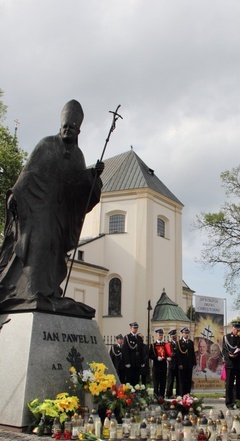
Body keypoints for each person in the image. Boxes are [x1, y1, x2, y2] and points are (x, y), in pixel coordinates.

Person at [0, 100, 104, 317]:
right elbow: (28, 173)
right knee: (39, 244)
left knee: (55, 251)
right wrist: (15, 195)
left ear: (78, 131)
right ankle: (33, 291)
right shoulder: (46, 144)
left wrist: (93, 176)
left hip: (61, 213)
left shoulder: (78, 155)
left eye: (71, 128)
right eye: (65, 127)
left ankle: (49, 292)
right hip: (38, 208)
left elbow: (78, 186)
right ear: (61, 127)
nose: (67, 130)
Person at [222, 321, 240, 408]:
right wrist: (229, 355)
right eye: (236, 329)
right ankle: (229, 402)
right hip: (230, 364)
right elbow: (224, 350)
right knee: (229, 383)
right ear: (233, 329)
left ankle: (239, 402)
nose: (237, 331)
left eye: (239, 329)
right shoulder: (226, 337)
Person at [149, 329, 170, 398]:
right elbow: (150, 355)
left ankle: (162, 395)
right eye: (159, 335)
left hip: (163, 365)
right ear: (156, 335)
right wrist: (156, 358)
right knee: (156, 381)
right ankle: (155, 396)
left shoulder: (165, 344)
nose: (161, 337)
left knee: (163, 381)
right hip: (156, 365)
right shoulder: (153, 345)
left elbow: (167, 353)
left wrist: (168, 357)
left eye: (162, 335)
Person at [122, 322, 144, 386]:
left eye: (136, 328)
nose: (136, 329)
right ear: (131, 328)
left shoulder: (139, 338)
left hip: (137, 362)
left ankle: (136, 393)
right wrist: (127, 362)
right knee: (129, 379)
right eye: (134, 328)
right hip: (130, 362)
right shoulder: (127, 337)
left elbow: (141, 350)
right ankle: (129, 394)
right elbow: (125, 350)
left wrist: (142, 361)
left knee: (136, 379)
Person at [176, 327, 196, 395]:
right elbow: (178, 354)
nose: (187, 334)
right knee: (182, 380)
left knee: (188, 380)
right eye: (185, 333)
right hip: (182, 364)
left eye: (187, 333)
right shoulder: (179, 342)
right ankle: (182, 394)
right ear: (182, 334)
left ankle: (188, 394)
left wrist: (194, 363)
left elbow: (192, 353)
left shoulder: (190, 342)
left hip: (189, 364)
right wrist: (179, 364)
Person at [165, 329, 180, 397]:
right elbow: (166, 353)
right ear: (171, 336)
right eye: (173, 336)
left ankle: (178, 394)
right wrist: (167, 357)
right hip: (171, 364)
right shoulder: (168, 344)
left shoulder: (178, 343)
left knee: (178, 380)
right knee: (170, 380)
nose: (175, 337)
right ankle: (169, 394)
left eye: (175, 335)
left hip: (177, 364)